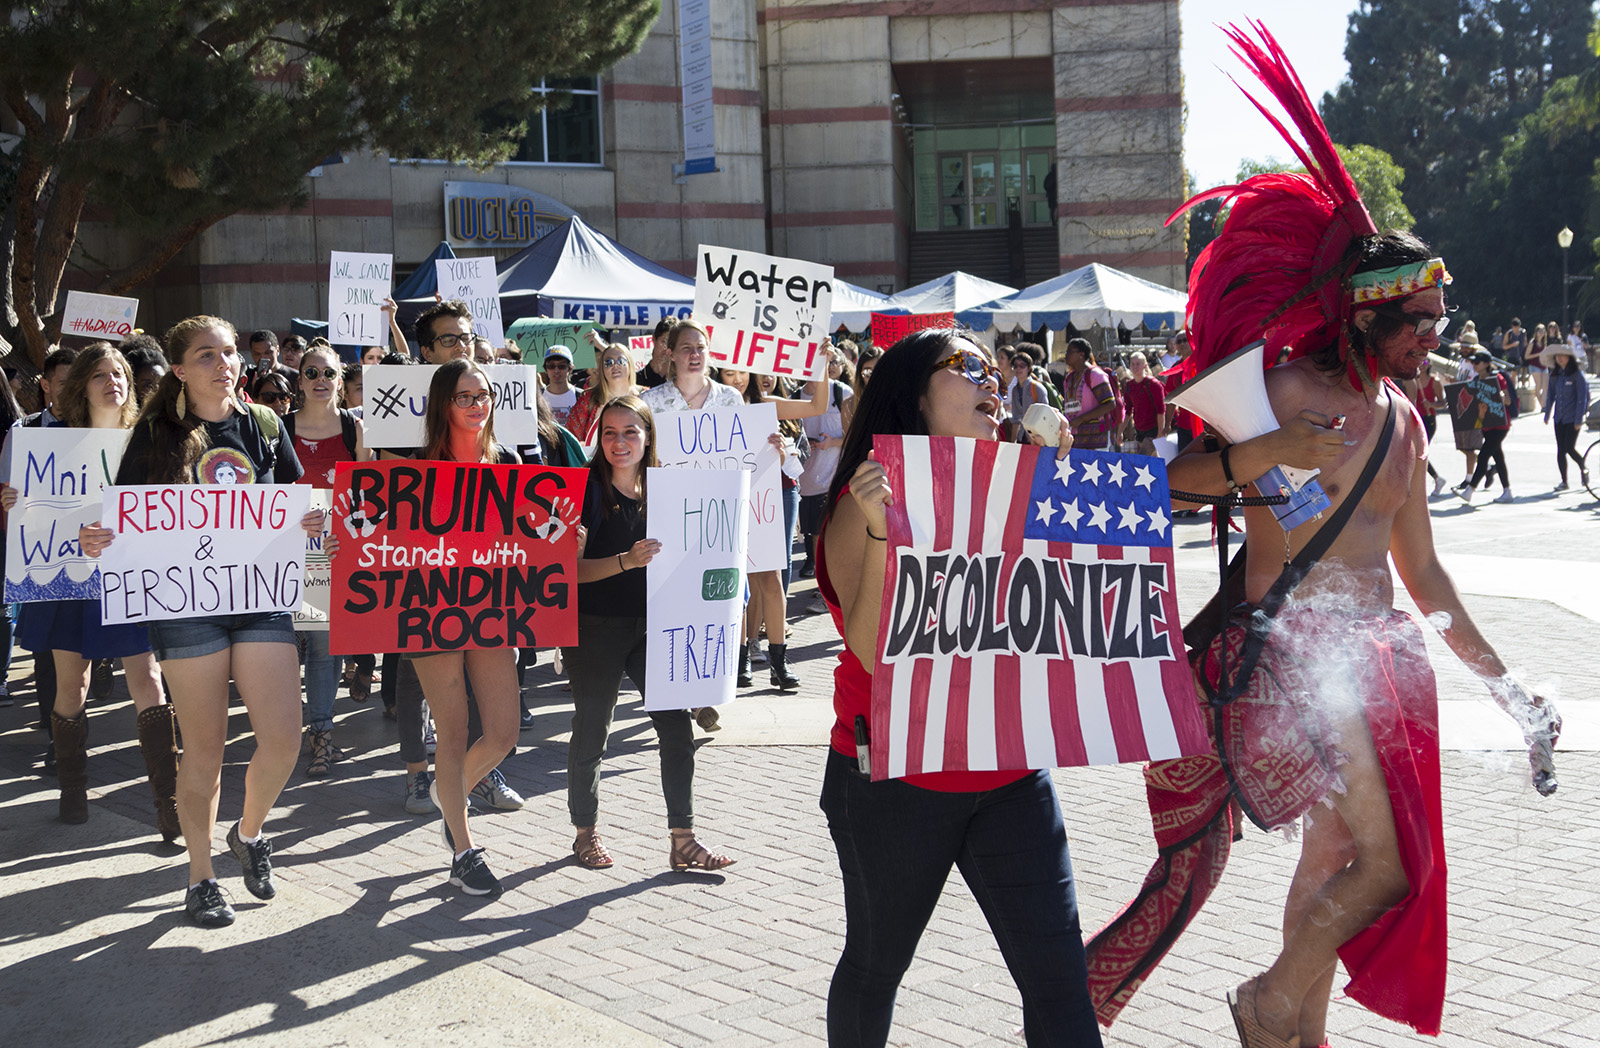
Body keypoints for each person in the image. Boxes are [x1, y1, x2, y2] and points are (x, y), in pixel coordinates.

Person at [1088, 28, 1559, 1046]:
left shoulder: (1409, 419)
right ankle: (1266, 1002)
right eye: (1417, 318)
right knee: (1378, 867)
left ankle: (1294, 1032)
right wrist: (1268, 451)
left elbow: (1423, 573)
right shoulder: (1283, 391)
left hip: (1377, 661)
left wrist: (1506, 684)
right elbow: (1173, 482)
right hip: (1295, 659)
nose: (1433, 334)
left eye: (1439, 317)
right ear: (1364, 313)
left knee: (1335, 855)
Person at [817, 328, 1099, 1047]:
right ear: (915, 394)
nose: (992, 380)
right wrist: (884, 534)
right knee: (878, 966)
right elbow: (875, 653)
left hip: (1009, 767)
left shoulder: (1014, 476)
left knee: (1061, 980)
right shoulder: (861, 501)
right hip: (896, 776)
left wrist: (1061, 477)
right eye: (968, 368)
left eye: (993, 369)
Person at [80, 316, 324, 929]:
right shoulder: (154, 434)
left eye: (231, 352)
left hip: (258, 597)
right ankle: (201, 875)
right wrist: (96, 537)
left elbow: (298, 501)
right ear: (181, 369)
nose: (224, 363)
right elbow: (122, 517)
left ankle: (247, 832)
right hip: (185, 606)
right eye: (207, 355)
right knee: (207, 749)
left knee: (284, 740)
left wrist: (314, 526)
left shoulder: (263, 425)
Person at [355, 358, 522, 895]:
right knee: (450, 732)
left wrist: (567, 536)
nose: (478, 405)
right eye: (465, 397)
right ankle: (463, 848)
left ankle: (449, 795)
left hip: (491, 608)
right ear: (442, 405)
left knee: (502, 732)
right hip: (430, 610)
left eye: (484, 395)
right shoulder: (412, 467)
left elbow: (533, 538)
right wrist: (341, 535)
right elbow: (367, 529)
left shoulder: (511, 461)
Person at [3, 344, 175, 835]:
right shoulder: (42, 441)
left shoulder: (147, 442)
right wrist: (16, 499)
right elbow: (31, 515)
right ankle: (73, 791)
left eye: (119, 372)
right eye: (100, 374)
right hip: (69, 580)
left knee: (148, 679)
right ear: (82, 385)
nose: (112, 381)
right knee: (72, 682)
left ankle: (169, 801)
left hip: (131, 578)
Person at [562, 394, 734, 873]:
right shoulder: (585, 492)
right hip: (593, 627)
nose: (620, 442)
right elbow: (569, 573)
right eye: (610, 433)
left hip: (654, 627)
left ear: (648, 436)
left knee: (676, 728)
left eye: (630, 432)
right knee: (593, 727)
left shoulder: (668, 489)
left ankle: (684, 839)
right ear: (599, 439)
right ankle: (585, 832)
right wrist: (625, 561)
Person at [286, 345, 370, 774]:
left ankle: (321, 733)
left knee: (322, 647)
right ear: (299, 380)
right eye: (311, 372)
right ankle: (282, 735)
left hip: (331, 554)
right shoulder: (278, 428)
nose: (321, 379)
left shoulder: (357, 429)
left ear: (341, 380)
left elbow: (367, 495)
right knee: (282, 650)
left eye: (329, 373)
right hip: (280, 555)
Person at [716, 366, 825, 692]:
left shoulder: (769, 406)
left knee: (771, 576)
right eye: (729, 373)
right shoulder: (714, 406)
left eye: (741, 372)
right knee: (738, 578)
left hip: (768, 495)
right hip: (729, 497)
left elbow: (816, 406)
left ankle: (778, 661)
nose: (737, 379)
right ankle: (740, 657)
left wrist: (819, 365)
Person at [1453, 349, 1514, 503]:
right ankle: (1507, 491)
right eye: (1472, 362)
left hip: (1500, 425)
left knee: (1483, 456)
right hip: (1485, 425)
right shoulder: (1475, 381)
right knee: (1498, 458)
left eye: (1477, 362)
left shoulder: (1498, 378)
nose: (1474, 365)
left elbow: (1508, 400)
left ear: (1487, 364)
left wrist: (1501, 396)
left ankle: (1470, 490)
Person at [566, 340, 639, 447]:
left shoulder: (646, 397)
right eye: (608, 362)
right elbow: (571, 440)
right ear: (602, 369)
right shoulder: (588, 399)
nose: (615, 366)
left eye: (621, 361)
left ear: (630, 365)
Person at [1542, 339, 1591, 491]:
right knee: (1560, 450)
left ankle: (1583, 467)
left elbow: (1582, 398)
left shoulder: (1577, 375)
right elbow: (1550, 395)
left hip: (1572, 418)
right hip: (1559, 417)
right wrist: (1547, 414)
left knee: (1569, 447)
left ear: (1569, 357)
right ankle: (1564, 481)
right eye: (1557, 356)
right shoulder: (1555, 375)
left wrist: (1579, 419)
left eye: (1563, 355)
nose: (1560, 358)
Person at [1119, 351, 1166, 455]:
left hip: (1153, 429)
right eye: (1133, 364)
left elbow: (1161, 410)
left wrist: (1160, 432)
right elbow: (1128, 411)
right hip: (1140, 430)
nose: (1135, 367)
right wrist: (1120, 432)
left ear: (1144, 365)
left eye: (1138, 363)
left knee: (1143, 458)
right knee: (1152, 461)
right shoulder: (1129, 386)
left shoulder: (1153, 384)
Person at [1006, 348, 1052, 422]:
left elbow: (1045, 413)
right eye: (1015, 366)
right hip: (1022, 433)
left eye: (1022, 366)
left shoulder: (1037, 388)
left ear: (1029, 368)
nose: (1018, 369)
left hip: (1037, 431)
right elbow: (1016, 419)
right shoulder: (1015, 390)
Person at [542, 345, 579, 428]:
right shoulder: (537, 396)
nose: (556, 370)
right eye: (551, 366)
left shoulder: (581, 396)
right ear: (546, 369)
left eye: (562, 366)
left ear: (570, 368)